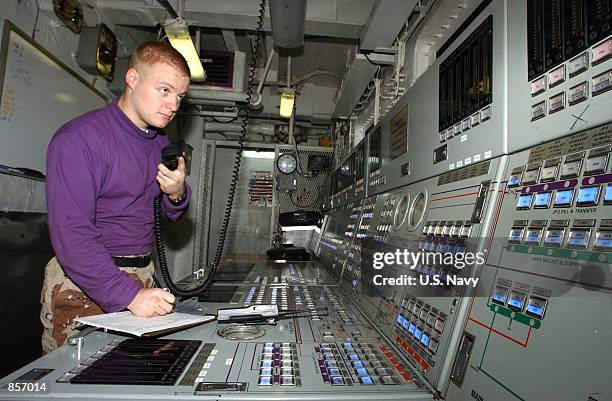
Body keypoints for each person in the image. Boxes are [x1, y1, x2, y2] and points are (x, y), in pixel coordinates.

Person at [40, 41, 192, 354]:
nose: (173, 105)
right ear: (132, 79)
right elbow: (72, 234)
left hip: (140, 275)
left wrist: (176, 192)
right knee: (75, 380)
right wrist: (129, 295)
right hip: (87, 279)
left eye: (179, 96)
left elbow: (166, 212)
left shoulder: (158, 143)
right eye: (164, 90)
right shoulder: (80, 139)